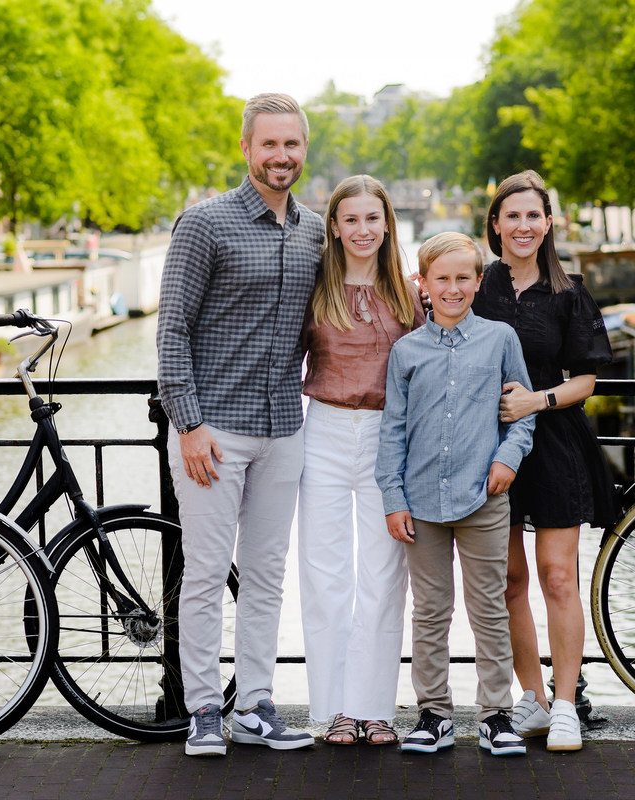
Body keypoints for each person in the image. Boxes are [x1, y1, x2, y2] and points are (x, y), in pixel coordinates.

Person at [156, 92, 324, 757]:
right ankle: (203, 710)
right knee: (203, 575)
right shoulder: (204, 225)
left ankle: (255, 703)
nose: (281, 156)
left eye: (292, 144)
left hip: (286, 427)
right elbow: (172, 333)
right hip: (214, 432)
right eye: (269, 144)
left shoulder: (314, 229)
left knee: (265, 573)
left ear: (303, 150)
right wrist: (188, 424)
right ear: (247, 147)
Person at [375, 231, 536, 757]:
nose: (452, 288)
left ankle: (495, 715)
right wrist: (393, 497)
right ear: (423, 284)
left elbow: (522, 415)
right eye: (440, 278)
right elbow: (393, 429)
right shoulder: (406, 351)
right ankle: (434, 713)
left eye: (462, 277)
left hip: (484, 495)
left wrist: (507, 459)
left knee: (488, 606)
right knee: (430, 610)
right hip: (421, 501)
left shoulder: (500, 340)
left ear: (478, 280)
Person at [472, 170, 616, 752]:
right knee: (509, 580)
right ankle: (529, 699)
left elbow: (588, 377)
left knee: (558, 578)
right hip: (492, 447)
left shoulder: (569, 291)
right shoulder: (477, 287)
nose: (524, 226)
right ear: (495, 225)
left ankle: (564, 705)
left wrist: (538, 398)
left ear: (548, 223)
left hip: (553, 443)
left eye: (534, 215)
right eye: (513, 216)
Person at [298, 175, 426, 746]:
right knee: (325, 576)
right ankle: (334, 711)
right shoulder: (315, 285)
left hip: (386, 438)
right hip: (322, 429)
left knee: (383, 574)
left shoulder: (407, 291)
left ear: (387, 224)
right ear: (334, 225)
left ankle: (375, 710)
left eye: (373, 218)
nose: (363, 230)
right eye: (351, 219)